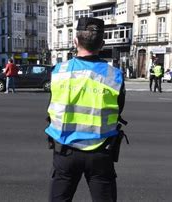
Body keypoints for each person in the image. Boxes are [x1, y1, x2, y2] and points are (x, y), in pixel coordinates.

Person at [44, 17, 126, 202]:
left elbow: (51, 107)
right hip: (101, 151)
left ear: (75, 41)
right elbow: (118, 109)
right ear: (102, 44)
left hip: (65, 150)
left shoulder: (59, 71)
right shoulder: (114, 75)